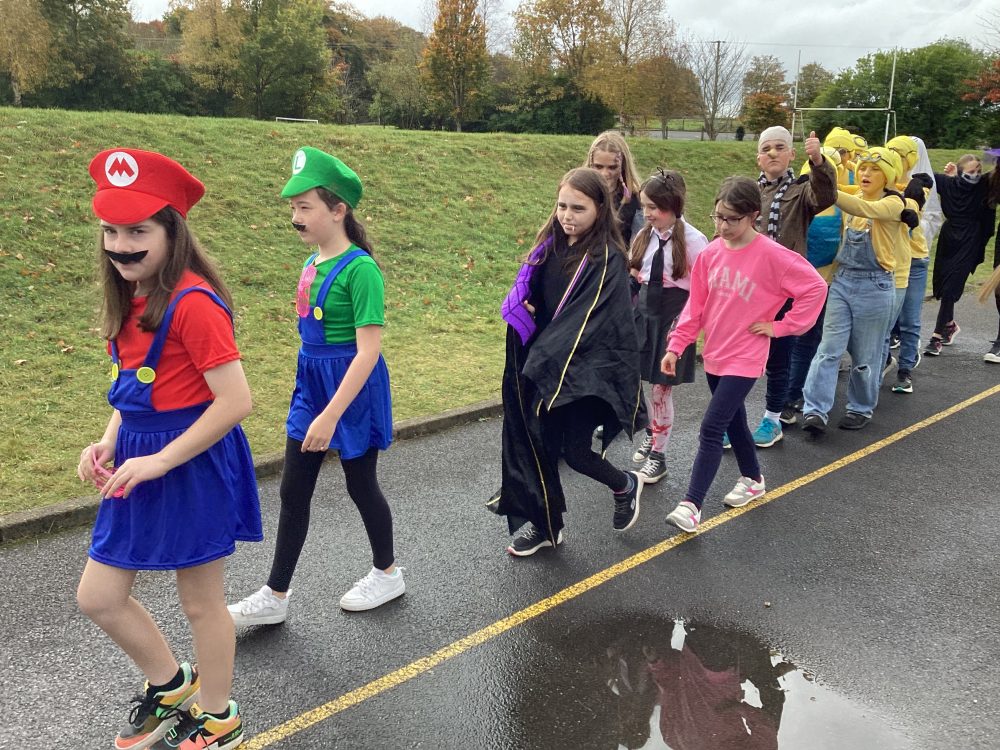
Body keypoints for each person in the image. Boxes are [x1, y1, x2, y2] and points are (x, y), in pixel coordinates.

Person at [76, 148, 262, 749]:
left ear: (172, 232)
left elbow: (235, 401)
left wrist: (158, 460)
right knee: (99, 597)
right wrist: (108, 440)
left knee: (201, 604)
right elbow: (133, 389)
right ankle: (172, 684)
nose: (121, 245)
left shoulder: (194, 303)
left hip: (191, 464)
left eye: (138, 231)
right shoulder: (130, 296)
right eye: (111, 230)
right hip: (138, 458)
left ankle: (219, 717)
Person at [228, 147, 401, 624]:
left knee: (360, 484)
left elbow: (368, 352)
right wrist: (314, 401)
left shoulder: (361, 270)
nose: (295, 217)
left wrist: (330, 415)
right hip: (311, 385)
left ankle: (388, 573)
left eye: (305, 207)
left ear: (338, 209)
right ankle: (275, 596)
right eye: (293, 207)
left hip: (352, 389)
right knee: (293, 490)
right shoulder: (312, 262)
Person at [662, 177, 826, 532]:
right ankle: (753, 479)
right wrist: (676, 346)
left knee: (712, 426)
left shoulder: (773, 256)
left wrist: (781, 326)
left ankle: (691, 505)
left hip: (747, 356)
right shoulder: (710, 254)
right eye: (718, 216)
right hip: (716, 354)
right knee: (734, 422)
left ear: (753, 216)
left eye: (732, 219)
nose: (722, 226)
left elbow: (815, 287)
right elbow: (695, 308)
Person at [497, 167, 646, 555]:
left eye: (578, 208)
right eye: (562, 206)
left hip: (586, 373)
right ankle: (548, 526)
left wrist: (543, 358)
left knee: (577, 454)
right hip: (549, 362)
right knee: (541, 445)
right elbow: (541, 298)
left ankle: (624, 484)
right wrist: (526, 309)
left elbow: (588, 322)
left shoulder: (607, 259)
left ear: (600, 208)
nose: (567, 215)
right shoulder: (549, 248)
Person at [801, 148, 911, 433]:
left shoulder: (893, 203)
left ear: (888, 176)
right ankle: (815, 410)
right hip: (843, 281)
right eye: (862, 168)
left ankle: (860, 408)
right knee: (828, 350)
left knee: (865, 356)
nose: (865, 173)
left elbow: (863, 208)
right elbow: (844, 193)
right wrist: (818, 176)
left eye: (874, 169)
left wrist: (827, 190)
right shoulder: (856, 196)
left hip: (876, 285)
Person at [748, 126, 836, 448]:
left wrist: (819, 162)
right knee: (743, 355)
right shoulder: (749, 192)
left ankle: (773, 419)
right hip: (750, 286)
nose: (772, 153)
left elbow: (825, 196)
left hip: (784, 288)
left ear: (791, 154)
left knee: (779, 357)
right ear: (758, 158)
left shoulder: (801, 192)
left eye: (779, 147)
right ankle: (732, 418)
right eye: (766, 148)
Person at [628, 170, 709, 483]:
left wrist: (685, 330)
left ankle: (659, 457)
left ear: (673, 206)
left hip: (674, 318)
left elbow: (701, 291)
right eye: (645, 206)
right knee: (642, 382)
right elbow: (636, 271)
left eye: (654, 207)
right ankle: (653, 432)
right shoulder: (645, 234)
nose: (648, 213)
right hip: (644, 314)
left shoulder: (694, 241)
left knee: (661, 390)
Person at [925, 153, 995, 356]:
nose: (976, 174)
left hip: (970, 238)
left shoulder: (983, 186)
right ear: (961, 171)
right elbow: (923, 175)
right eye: (972, 171)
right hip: (949, 238)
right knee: (943, 283)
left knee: (951, 287)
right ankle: (949, 325)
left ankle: (936, 337)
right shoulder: (948, 184)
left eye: (979, 170)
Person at [885, 136, 934, 393]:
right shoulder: (881, 180)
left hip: (914, 260)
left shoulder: (919, 184)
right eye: (890, 151)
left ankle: (905, 371)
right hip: (888, 258)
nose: (894, 156)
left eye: (899, 153)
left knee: (910, 319)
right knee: (884, 319)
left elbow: (913, 206)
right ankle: (883, 360)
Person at [584, 131, 645, 247]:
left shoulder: (637, 200)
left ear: (623, 166)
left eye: (612, 167)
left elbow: (639, 246)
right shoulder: (579, 193)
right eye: (598, 166)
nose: (604, 174)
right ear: (590, 164)